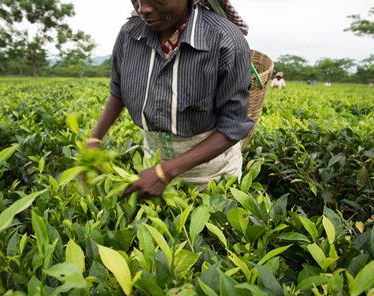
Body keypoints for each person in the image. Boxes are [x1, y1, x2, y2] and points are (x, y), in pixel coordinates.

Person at [86, 0, 253, 198]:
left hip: (210, 172)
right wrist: (95, 138)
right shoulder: (129, 34)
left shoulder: (225, 39)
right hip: (153, 164)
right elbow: (118, 90)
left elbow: (233, 126)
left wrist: (165, 172)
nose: (143, 9)